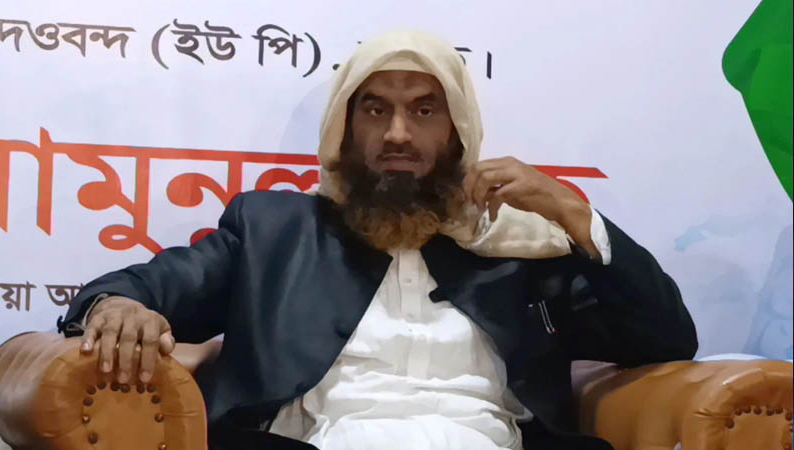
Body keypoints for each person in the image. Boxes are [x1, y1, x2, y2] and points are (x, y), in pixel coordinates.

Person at [59, 31, 697, 450]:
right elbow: (138, 288)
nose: (397, 133)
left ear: (457, 132)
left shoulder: (519, 247)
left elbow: (664, 340)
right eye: (375, 109)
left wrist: (572, 212)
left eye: (424, 110)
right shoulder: (273, 231)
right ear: (344, 128)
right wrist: (117, 307)